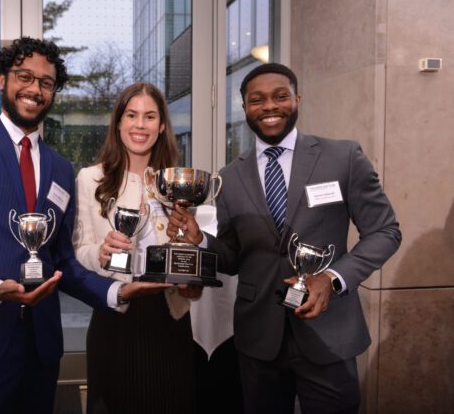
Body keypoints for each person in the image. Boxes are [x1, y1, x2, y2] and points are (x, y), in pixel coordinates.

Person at [0, 37, 168, 414]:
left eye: (46, 82)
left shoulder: (60, 168)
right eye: (24, 76)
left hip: (40, 348)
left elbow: (61, 259)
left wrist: (116, 294)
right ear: (1, 80)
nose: (34, 89)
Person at [168, 63, 401, 414]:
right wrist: (201, 240)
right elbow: (232, 257)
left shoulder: (343, 158)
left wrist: (332, 279)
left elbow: (385, 231)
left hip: (329, 330)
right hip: (259, 337)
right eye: (256, 100)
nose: (269, 107)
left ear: (297, 99)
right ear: (245, 107)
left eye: (280, 96)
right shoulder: (229, 177)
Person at [73, 82, 200, 414]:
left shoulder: (177, 184)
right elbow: (79, 249)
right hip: (115, 317)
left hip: (170, 320)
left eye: (149, 116)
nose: (139, 125)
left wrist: (191, 277)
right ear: (118, 122)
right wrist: (99, 252)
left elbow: (186, 255)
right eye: (131, 115)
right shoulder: (91, 179)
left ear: (161, 127)